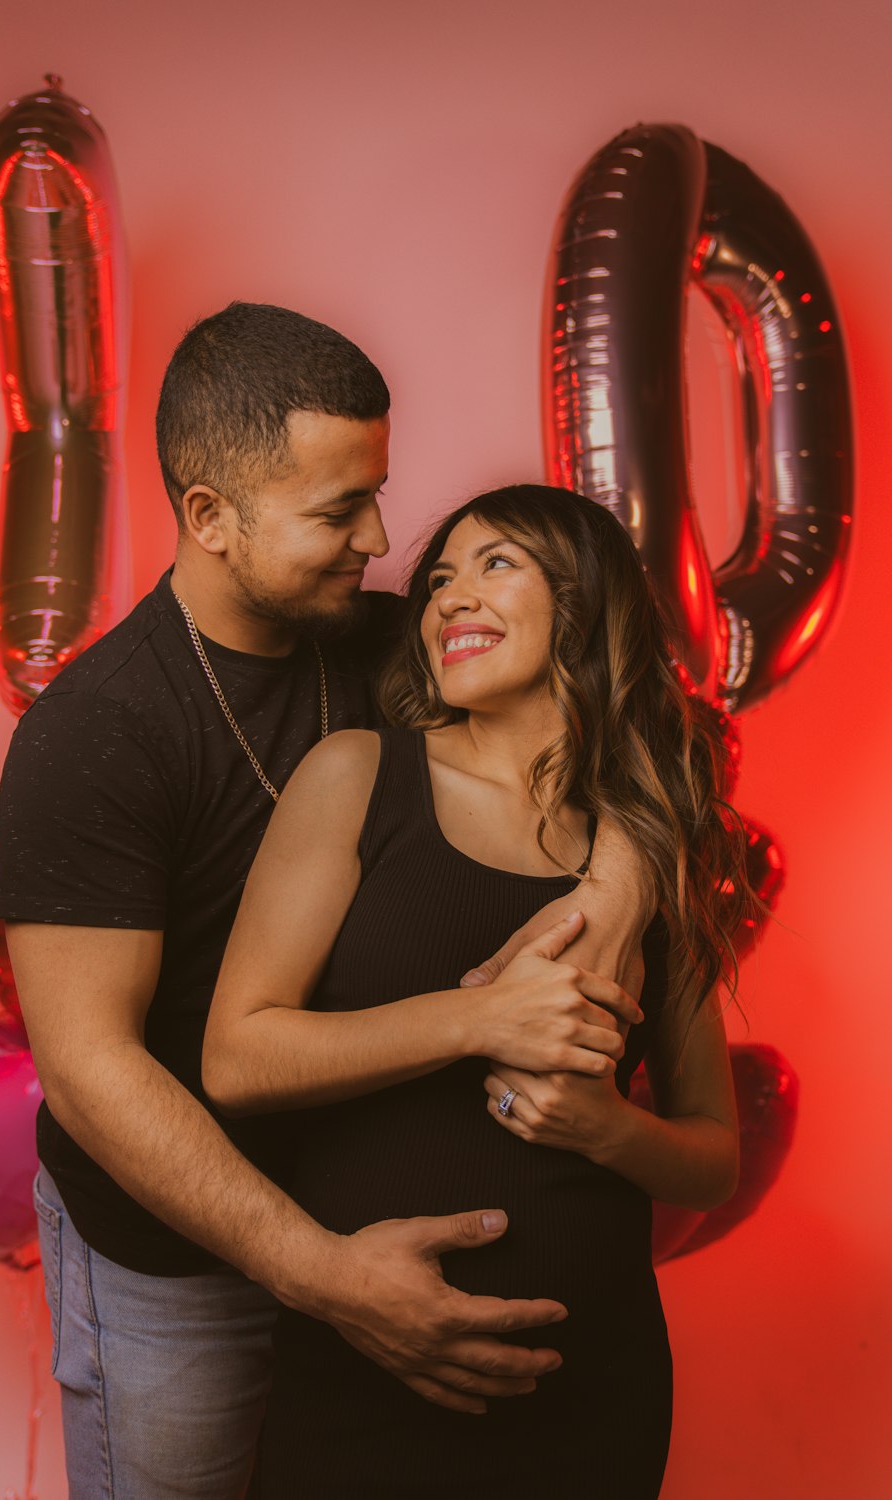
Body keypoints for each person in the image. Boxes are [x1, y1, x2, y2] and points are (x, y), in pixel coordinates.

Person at [0, 307, 653, 1500]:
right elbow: (90, 1069)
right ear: (210, 517)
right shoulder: (96, 733)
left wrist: (623, 873)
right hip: (176, 1253)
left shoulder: (392, 643)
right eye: (336, 512)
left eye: (376, 494)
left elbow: (621, 710)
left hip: (365, 1216)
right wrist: (321, 1272)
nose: (383, 537)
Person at [203, 484, 751, 1498]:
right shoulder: (359, 775)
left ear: (585, 604)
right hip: (368, 1382)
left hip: (593, 1395)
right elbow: (237, 1059)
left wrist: (603, 1131)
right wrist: (479, 1018)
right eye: (439, 580)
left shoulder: (650, 844)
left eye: (495, 564)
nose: (451, 597)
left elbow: (712, 1154)